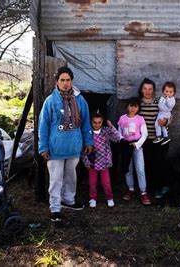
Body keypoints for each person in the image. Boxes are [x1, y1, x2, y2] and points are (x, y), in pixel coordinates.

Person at [39, 66, 93, 223]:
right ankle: (55, 207)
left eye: (68, 80)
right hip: (55, 147)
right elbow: (43, 125)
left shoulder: (80, 100)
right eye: (62, 80)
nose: (65, 83)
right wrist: (43, 147)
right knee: (56, 179)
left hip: (74, 146)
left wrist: (88, 140)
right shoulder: (50, 101)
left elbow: (85, 123)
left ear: (71, 81)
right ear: (57, 81)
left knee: (71, 176)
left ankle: (68, 200)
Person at [138, 78, 170, 199]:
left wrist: (165, 121)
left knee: (159, 164)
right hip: (144, 140)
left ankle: (159, 189)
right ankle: (147, 190)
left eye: (150, 89)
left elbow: (169, 115)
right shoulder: (138, 104)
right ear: (141, 90)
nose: (147, 91)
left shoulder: (159, 102)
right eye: (145, 88)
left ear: (154, 90)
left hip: (159, 139)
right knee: (147, 165)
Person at [82, 112, 121, 208]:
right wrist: (85, 161)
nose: (97, 124)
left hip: (104, 162)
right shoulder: (88, 132)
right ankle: (93, 198)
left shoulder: (106, 131)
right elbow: (83, 150)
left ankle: (109, 198)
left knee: (106, 182)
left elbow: (117, 138)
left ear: (102, 122)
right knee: (92, 183)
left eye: (99, 122)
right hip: (92, 163)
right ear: (91, 122)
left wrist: (111, 126)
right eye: (94, 122)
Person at [117, 98, 151, 205]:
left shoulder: (140, 119)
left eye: (135, 106)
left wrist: (136, 144)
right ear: (127, 106)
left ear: (138, 108)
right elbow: (119, 132)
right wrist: (122, 140)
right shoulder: (122, 118)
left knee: (140, 169)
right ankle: (130, 189)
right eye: (131, 106)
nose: (132, 108)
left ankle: (143, 192)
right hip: (126, 146)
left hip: (137, 146)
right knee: (128, 168)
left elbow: (144, 134)